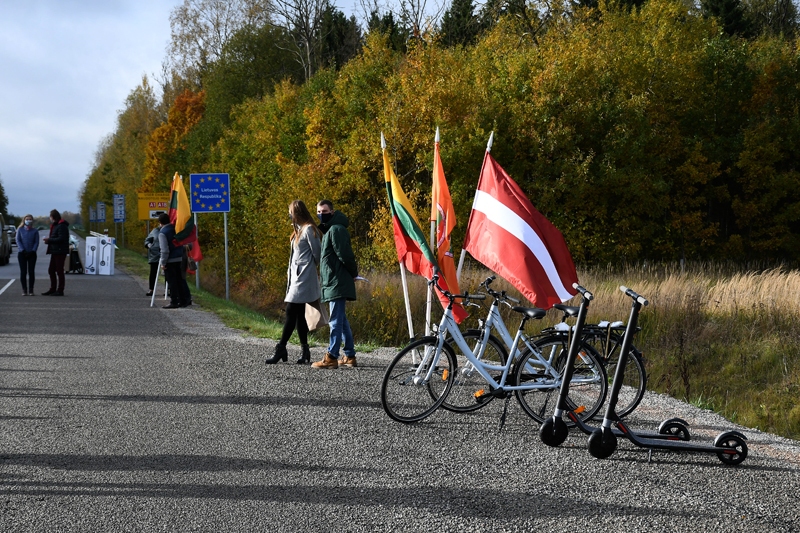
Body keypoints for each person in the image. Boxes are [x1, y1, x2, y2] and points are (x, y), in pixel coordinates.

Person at [266, 200, 322, 365]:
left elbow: (317, 255)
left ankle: (281, 348)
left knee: (291, 310)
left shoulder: (309, 230)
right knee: (299, 315)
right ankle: (305, 350)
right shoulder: (298, 231)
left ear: (297, 212)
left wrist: (304, 269)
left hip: (303, 278)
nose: (289, 215)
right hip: (296, 278)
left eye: (290, 212)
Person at [311, 200, 358, 369]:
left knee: (335, 321)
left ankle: (331, 356)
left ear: (332, 212)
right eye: (318, 211)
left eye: (324, 211)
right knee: (341, 319)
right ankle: (350, 355)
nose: (321, 214)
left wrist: (354, 273)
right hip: (333, 281)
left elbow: (345, 255)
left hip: (337, 281)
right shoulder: (331, 229)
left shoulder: (336, 229)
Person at [157, 213, 191, 309]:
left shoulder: (163, 233)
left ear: (160, 222)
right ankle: (183, 301)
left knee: (171, 282)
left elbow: (164, 249)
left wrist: (163, 263)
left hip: (170, 260)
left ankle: (174, 301)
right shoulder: (175, 229)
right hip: (179, 258)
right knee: (179, 280)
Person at [42, 209, 69, 296]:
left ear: (53, 217)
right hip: (55, 251)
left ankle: (60, 290)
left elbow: (61, 239)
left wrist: (49, 240)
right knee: (51, 270)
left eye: (50, 216)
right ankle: (53, 288)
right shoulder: (56, 225)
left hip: (60, 251)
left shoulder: (61, 226)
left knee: (59, 271)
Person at [16, 214, 39, 296]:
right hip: (22, 253)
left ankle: (31, 289)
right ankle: (24, 289)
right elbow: (18, 240)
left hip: (32, 253)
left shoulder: (35, 231)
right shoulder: (20, 229)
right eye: (27, 219)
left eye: (30, 219)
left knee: (31, 272)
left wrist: (33, 250)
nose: (28, 220)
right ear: (24, 220)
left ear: (32, 221)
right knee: (23, 272)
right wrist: (22, 250)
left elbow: (36, 242)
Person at [144, 225, 161, 296]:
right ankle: (151, 289)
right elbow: (147, 240)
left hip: (166, 254)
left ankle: (168, 290)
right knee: (153, 272)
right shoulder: (155, 231)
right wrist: (149, 245)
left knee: (168, 273)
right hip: (155, 255)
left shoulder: (169, 230)